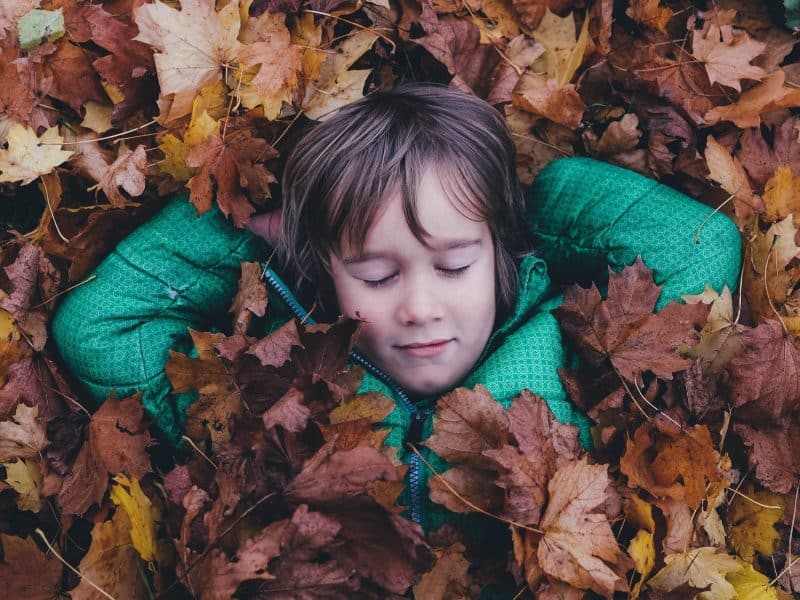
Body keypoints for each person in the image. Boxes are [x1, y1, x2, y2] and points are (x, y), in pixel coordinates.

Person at [50, 82, 742, 532]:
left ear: (498, 255)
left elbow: (702, 246)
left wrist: (534, 208)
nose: (420, 306)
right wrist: (246, 230)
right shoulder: (269, 394)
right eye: (377, 274)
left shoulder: (574, 354)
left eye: (455, 264)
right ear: (326, 277)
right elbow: (98, 326)